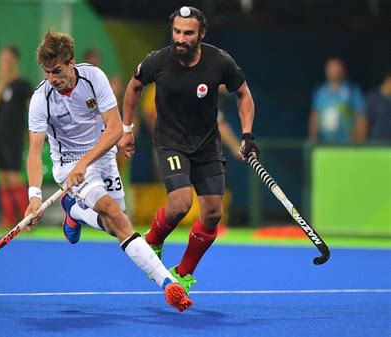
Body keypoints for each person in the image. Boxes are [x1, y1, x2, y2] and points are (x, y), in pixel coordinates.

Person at [24, 28, 192, 312]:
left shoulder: (94, 78)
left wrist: (86, 163)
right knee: (115, 215)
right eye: (46, 72)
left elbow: (113, 129)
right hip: (68, 166)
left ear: (71, 61)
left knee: (115, 222)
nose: (52, 78)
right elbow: (34, 153)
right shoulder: (41, 100)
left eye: (57, 70)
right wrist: (34, 196)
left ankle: (74, 211)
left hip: (101, 156)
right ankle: (168, 284)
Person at [118, 6, 259, 295]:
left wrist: (247, 135)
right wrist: (127, 129)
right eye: (177, 32)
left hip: (207, 146)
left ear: (201, 34)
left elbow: (243, 94)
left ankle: (183, 273)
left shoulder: (220, 61)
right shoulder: (157, 61)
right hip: (170, 142)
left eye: (188, 33)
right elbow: (134, 87)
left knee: (212, 214)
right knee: (181, 204)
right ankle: (154, 241)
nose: (181, 38)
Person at [0, 46, 33, 229]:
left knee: (14, 176)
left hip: (14, 137)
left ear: (15, 61)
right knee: (2, 177)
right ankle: (8, 219)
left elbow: (33, 109)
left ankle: (27, 219)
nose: (4, 62)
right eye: (2, 58)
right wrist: (2, 82)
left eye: (8, 59)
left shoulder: (23, 85)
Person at [308, 57, 366, 143]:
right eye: (331, 68)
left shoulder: (353, 91)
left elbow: (361, 116)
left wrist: (359, 141)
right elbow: (315, 115)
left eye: (337, 68)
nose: (334, 71)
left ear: (343, 71)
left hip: (348, 144)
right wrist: (313, 139)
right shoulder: (320, 91)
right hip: (325, 144)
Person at [361, 70, 391, 141]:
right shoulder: (373, 98)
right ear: (388, 80)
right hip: (377, 146)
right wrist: (361, 146)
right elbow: (363, 122)